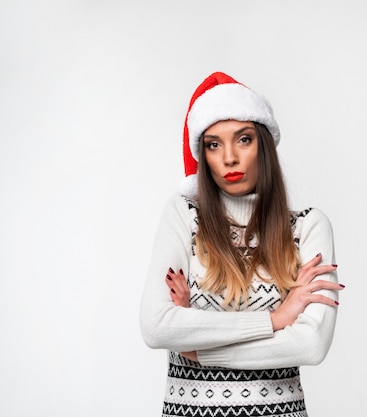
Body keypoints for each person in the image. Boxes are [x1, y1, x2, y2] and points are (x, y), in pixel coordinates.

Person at [139, 71, 344, 417]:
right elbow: (157, 326)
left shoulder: (308, 227)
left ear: (262, 144)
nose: (229, 157)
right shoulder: (184, 215)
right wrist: (275, 320)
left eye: (243, 139)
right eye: (214, 144)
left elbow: (311, 345)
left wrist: (199, 346)